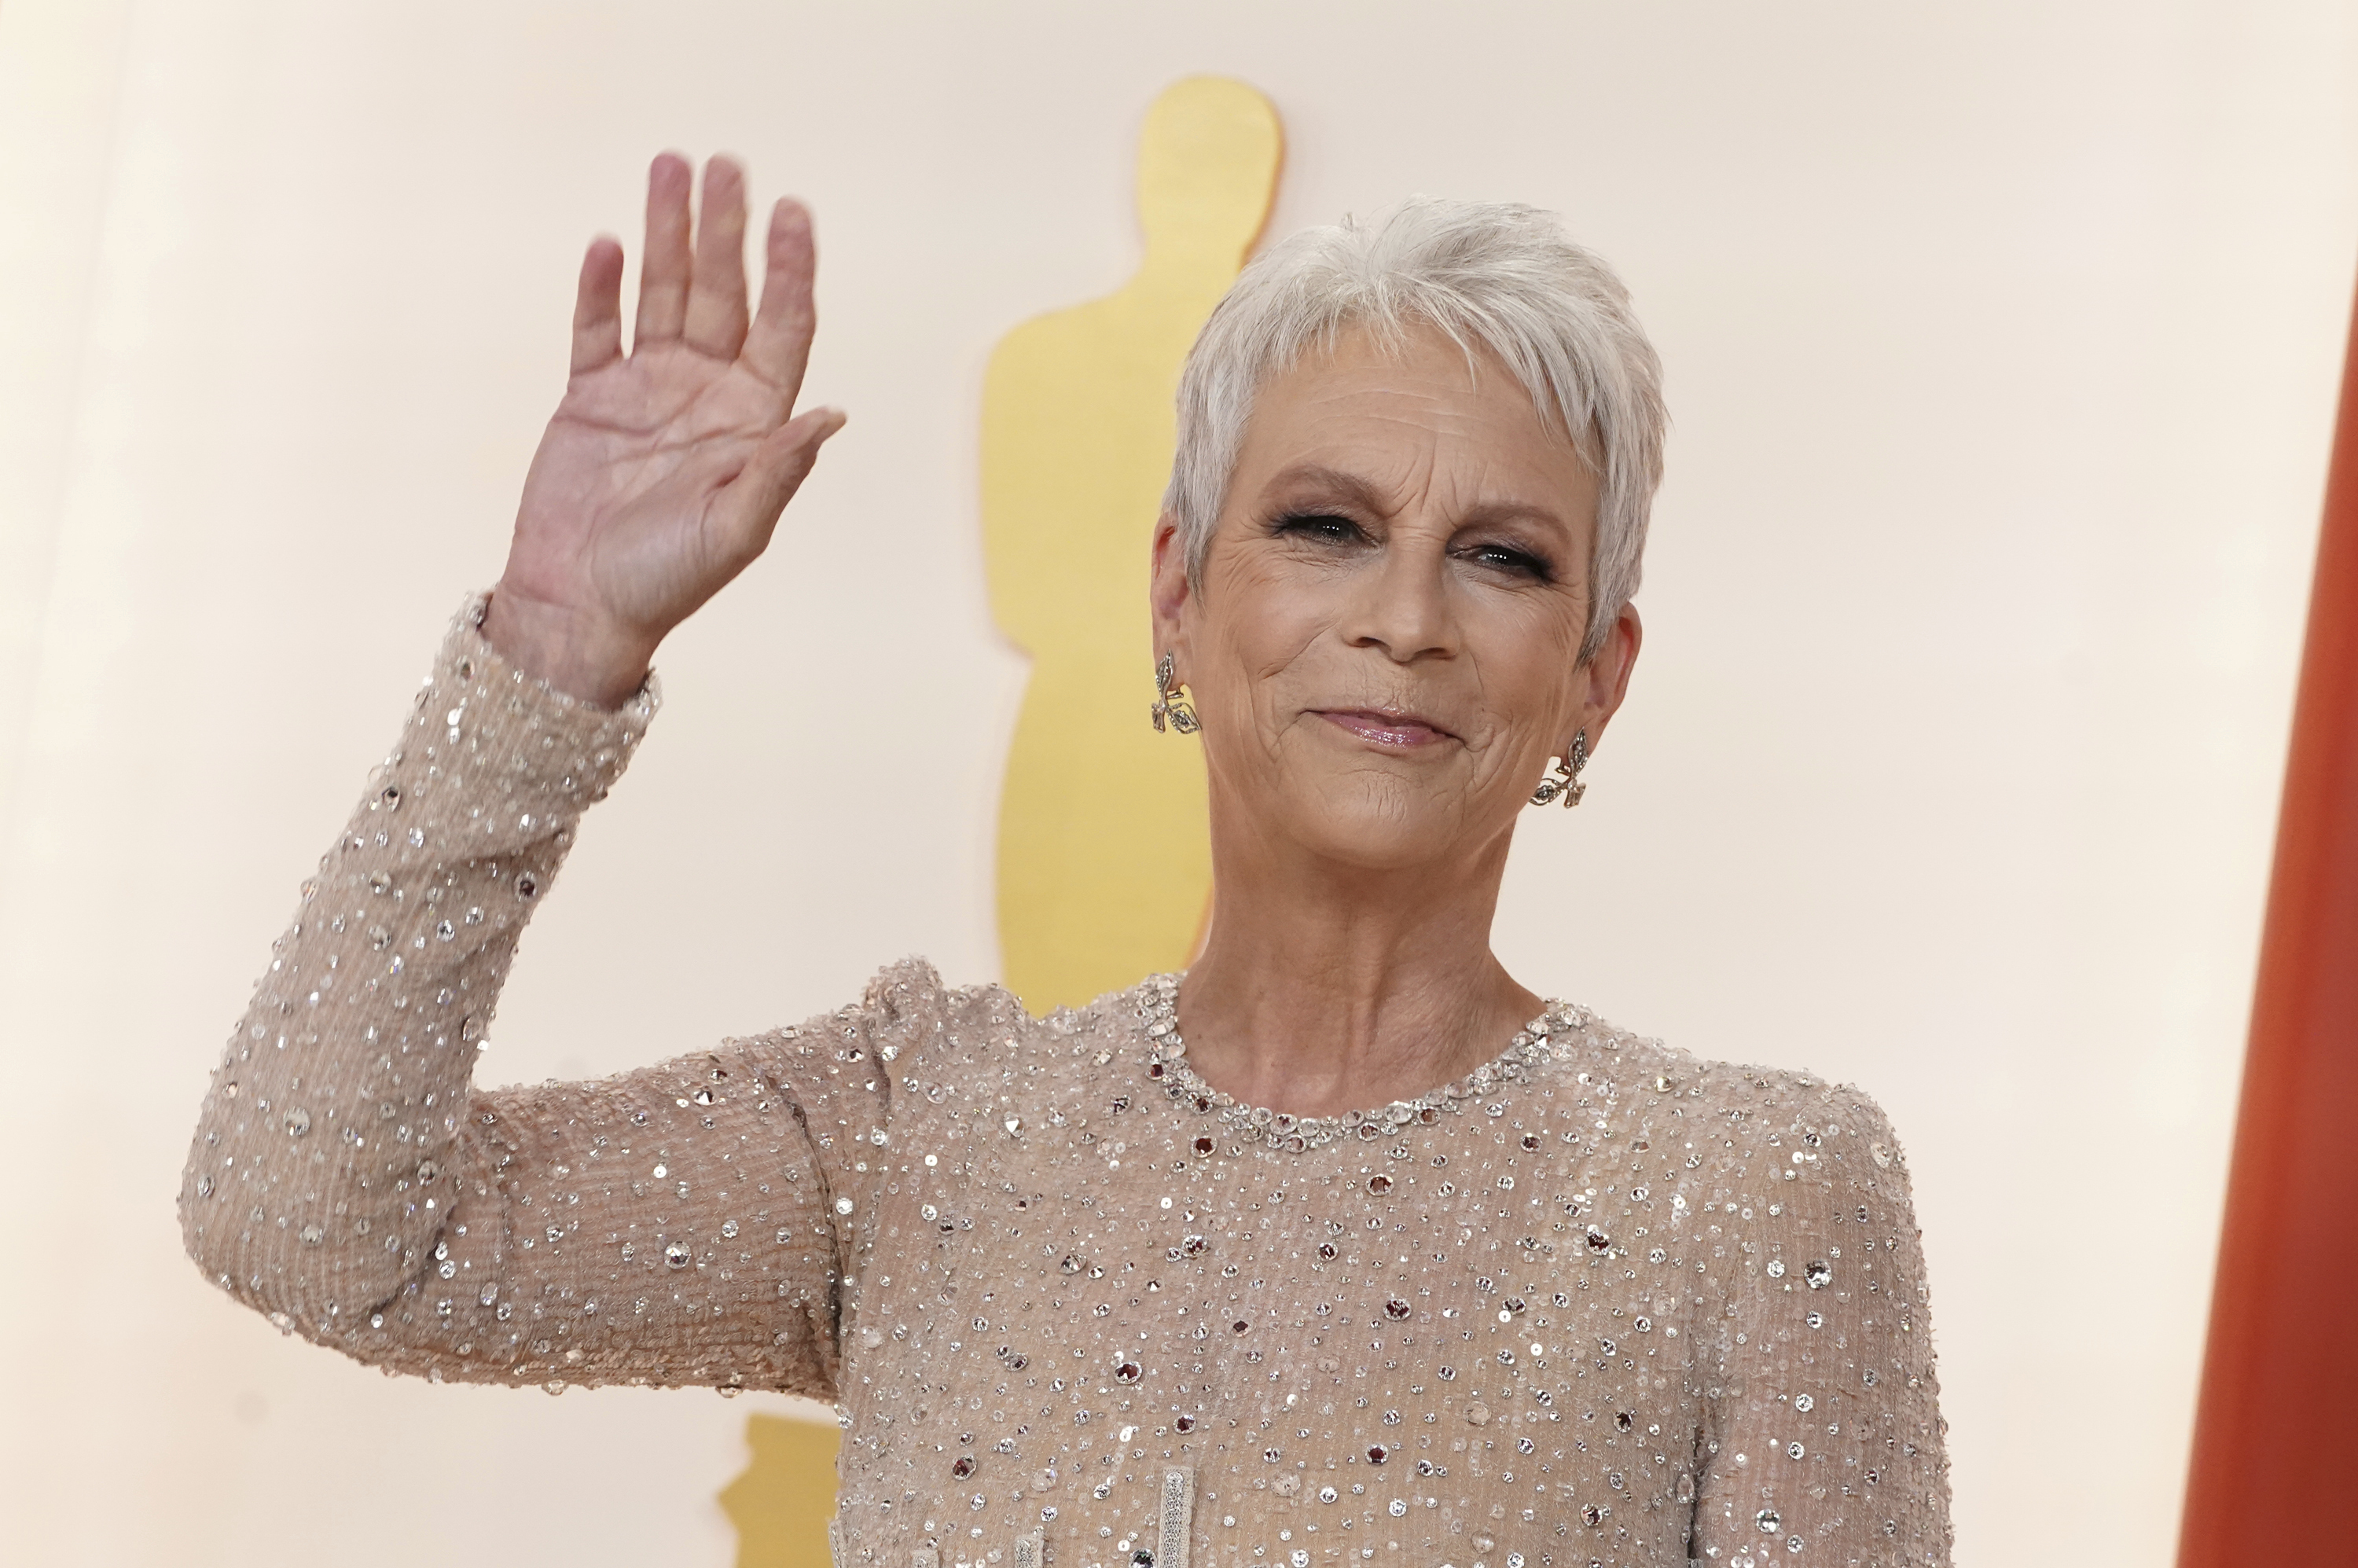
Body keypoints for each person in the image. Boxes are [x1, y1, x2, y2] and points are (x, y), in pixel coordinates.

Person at [181, 152, 1950, 1568]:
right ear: (1178, 599)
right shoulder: (921, 1130)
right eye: (1326, 526)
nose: (1403, 617)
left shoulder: (1750, 1195)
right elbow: (313, 1222)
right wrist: (552, 650)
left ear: (1594, 677)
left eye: (1501, 559)